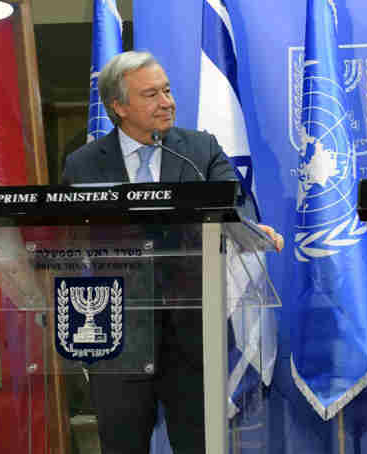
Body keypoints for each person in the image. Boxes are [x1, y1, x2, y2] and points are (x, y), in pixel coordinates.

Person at [62, 50, 282, 454]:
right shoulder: (83, 165)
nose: (167, 102)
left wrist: (251, 228)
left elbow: (234, 205)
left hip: (192, 333)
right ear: (119, 106)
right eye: (151, 94)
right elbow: (73, 242)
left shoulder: (199, 150)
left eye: (167, 90)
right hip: (118, 336)